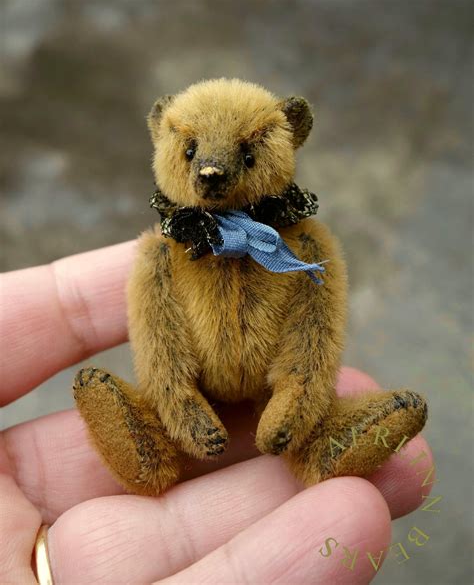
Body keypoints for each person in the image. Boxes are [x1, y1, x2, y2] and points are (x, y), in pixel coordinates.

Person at [0, 241, 433, 584]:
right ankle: (145, 452)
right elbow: (159, 340)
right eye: (191, 153)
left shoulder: (301, 246)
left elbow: (313, 331)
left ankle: (327, 446)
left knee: (313, 421)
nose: (211, 171)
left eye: (246, 155)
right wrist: (180, 404)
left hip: (273, 389)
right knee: (146, 424)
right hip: (191, 395)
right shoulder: (164, 252)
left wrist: (294, 401)